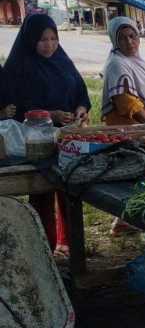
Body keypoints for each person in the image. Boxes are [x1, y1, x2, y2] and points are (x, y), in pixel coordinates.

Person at [4, 14, 92, 256]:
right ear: (31, 39)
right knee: (42, 193)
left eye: (54, 38)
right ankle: (44, 247)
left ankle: (70, 243)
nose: (50, 45)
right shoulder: (17, 68)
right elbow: (11, 110)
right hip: (35, 142)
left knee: (69, 191)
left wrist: (81, 109)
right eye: (43, 40)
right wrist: (49, 115)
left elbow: (79, 92)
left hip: (67, 139)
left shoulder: (62, 62)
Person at [101, 17, 145, 127]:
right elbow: (126, 102)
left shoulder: (137, 61)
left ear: (138, 38)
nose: (129, 42)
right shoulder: (117, 64)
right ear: (115, 42)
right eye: (122, 38)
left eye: (132, 36)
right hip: (132, 130)